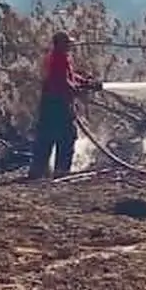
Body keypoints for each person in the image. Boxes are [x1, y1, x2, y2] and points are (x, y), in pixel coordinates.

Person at [29, 31, 101, 179]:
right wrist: (78, 90)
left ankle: (39, 170)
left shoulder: (59, 57)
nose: (70, 46)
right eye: (67, 43)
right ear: (60, 44)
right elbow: (62, 81)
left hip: (51, 103)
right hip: (57, 103)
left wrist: (87, 83)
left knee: (46, 136)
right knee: (66, 136)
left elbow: (70, 76)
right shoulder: (58, 58)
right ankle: (60, 171)